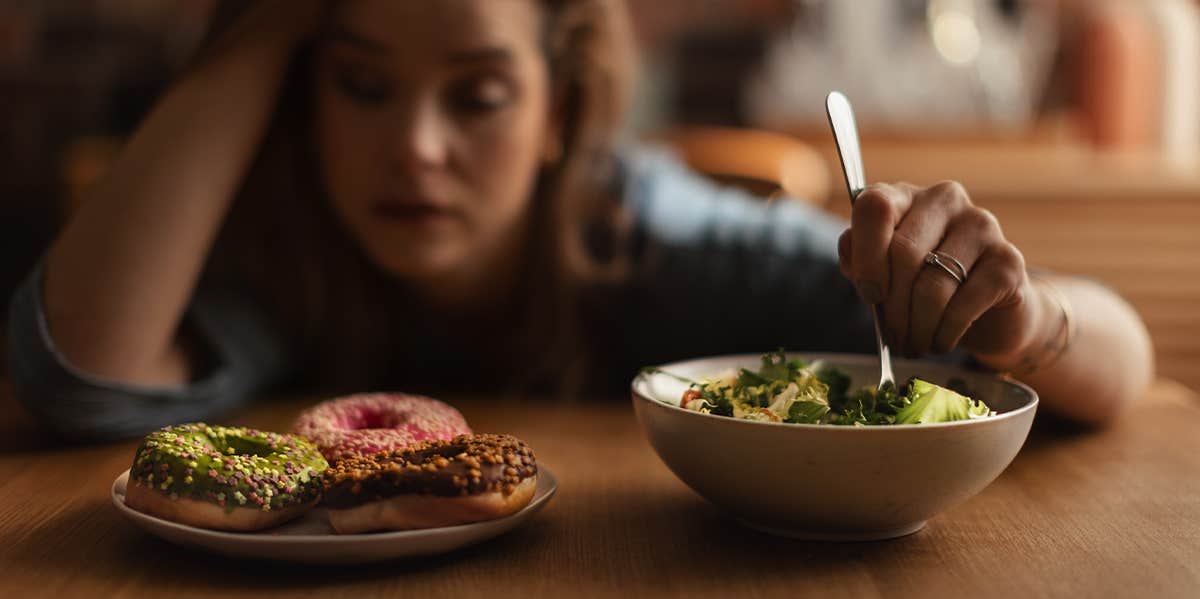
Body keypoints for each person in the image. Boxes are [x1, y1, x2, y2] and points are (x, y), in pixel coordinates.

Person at [5, 0, 1153, 440]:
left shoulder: (668, 245)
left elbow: (1117, 355)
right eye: (361, 83)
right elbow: (81, 377)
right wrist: (260, 27)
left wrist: (1018, 308)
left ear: (560, 111)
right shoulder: (293, 249)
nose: (416, 145)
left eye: (479, 95)